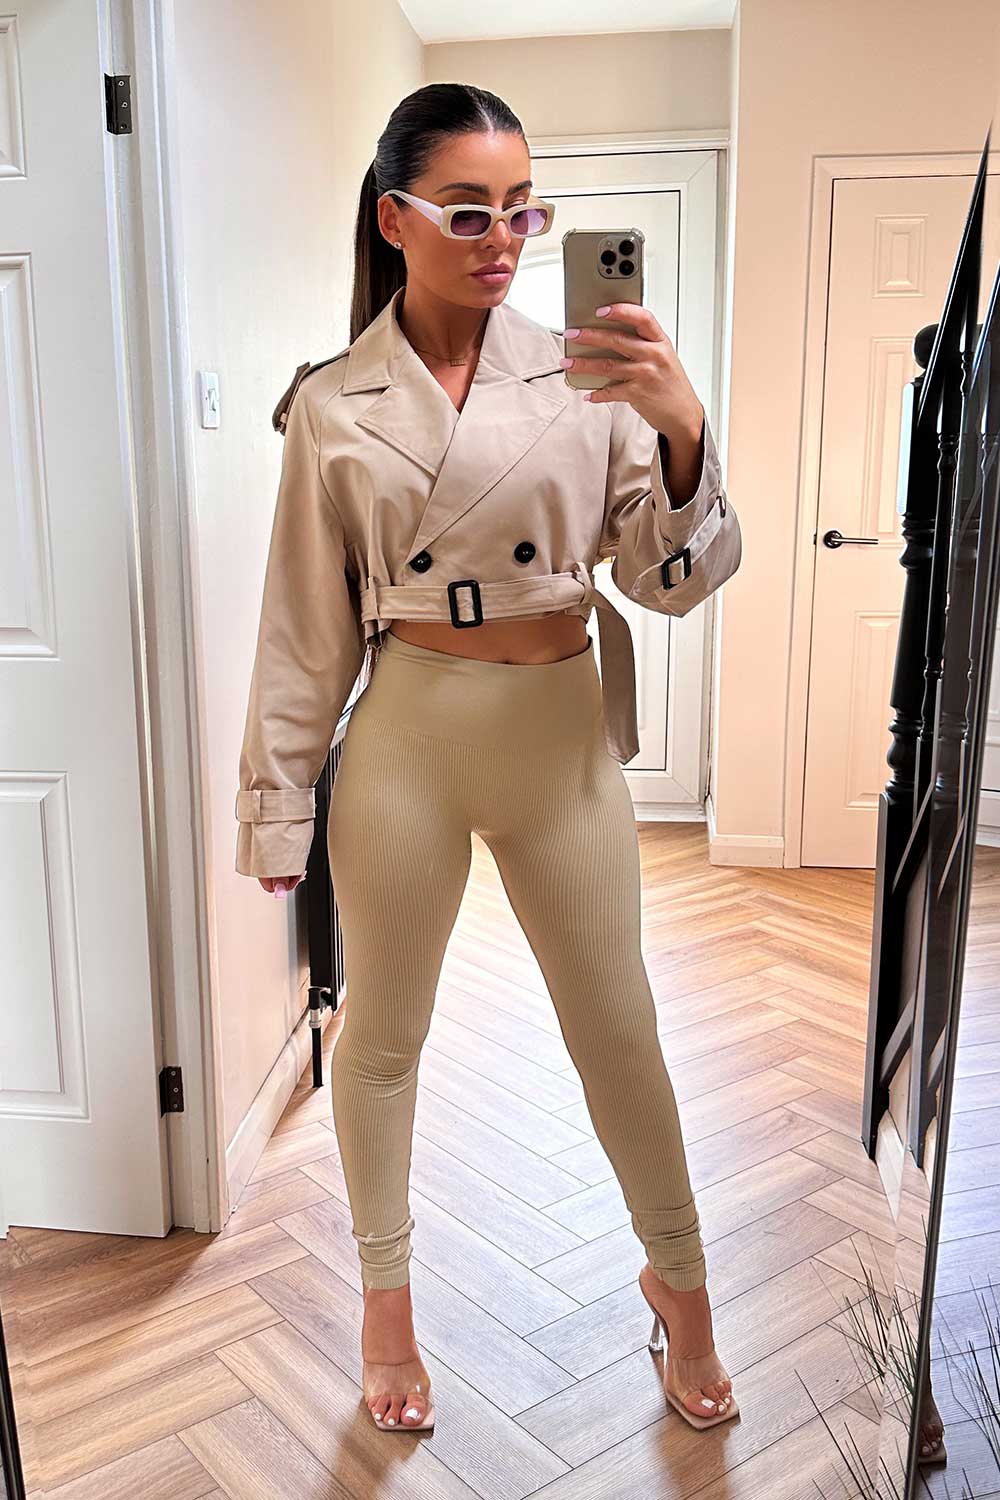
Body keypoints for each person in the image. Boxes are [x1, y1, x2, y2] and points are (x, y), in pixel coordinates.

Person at [235, 82, 742, 1436]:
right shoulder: (333, 403)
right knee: (382, 1039)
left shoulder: (589, 374)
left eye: (525, 210)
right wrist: (279, 810)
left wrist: (683, 429)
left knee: (619, 1026)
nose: (504, 239)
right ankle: (386, 1307)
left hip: (559, 737)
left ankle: (681, 1283)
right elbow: (302, 628)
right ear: (395, 219)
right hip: (406, 740)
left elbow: (671, 582)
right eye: (470, 212)